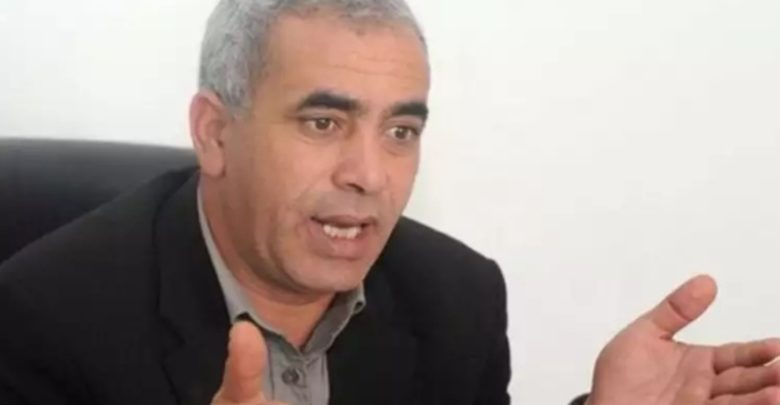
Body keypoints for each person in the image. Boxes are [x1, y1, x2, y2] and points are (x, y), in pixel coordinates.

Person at [0, 1, 779, 405]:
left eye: (401, 130)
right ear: (215, 133)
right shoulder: (46, 316)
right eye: (323, 122)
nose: (370, 174)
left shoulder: (457, 298)